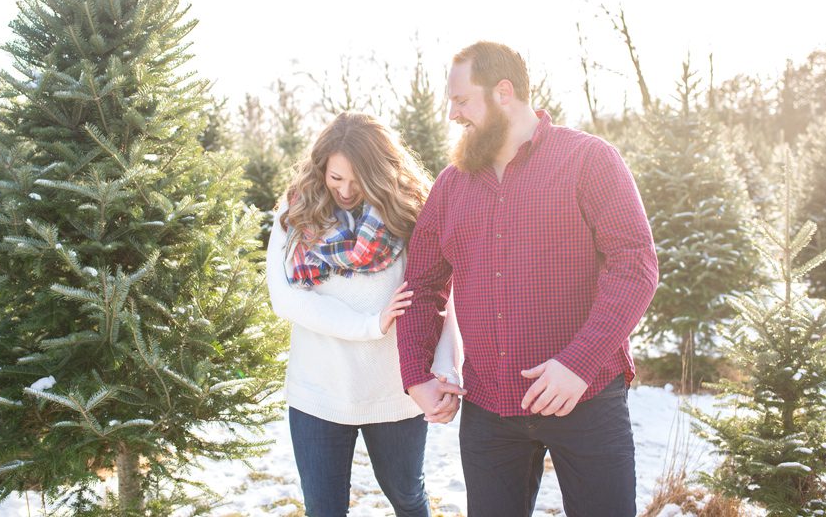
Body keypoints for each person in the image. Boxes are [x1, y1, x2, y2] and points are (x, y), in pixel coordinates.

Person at [396, 41, 658, 516]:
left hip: (587, 397)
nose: (453, 115)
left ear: (503, 92)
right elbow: (421, 285)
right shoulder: (451, 186)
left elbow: (634, 265)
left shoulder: (589, 160)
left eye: (461, 100)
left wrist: (577, 363)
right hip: (489, 411)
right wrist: (417, 373)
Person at [266, 112, 462, 517]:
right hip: (318, 393)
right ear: (321, 168)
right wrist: (369, 325)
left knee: (408, 499)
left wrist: (445, 368)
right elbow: (286, 300)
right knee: (324, 510)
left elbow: (442, 296)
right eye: (336, 178)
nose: (346, 191)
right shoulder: (296, 212)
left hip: (394, 391)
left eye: (358, 180)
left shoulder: (409, 214)